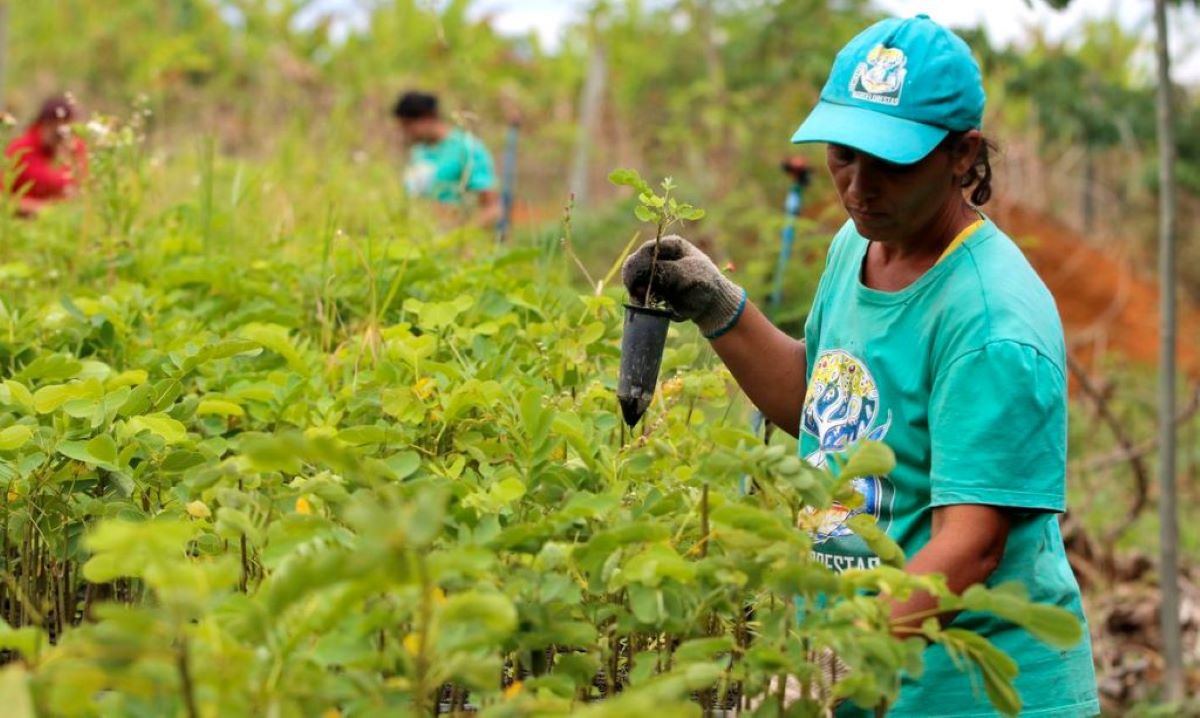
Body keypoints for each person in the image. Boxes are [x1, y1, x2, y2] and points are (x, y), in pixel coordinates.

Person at [622, 15, 1099, 717]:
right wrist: (717, 307)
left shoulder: (991, 320)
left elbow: (970, 547)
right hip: (866, 680)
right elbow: (824, 405)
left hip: (968, 696)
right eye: (844, 154)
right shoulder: (859, 246)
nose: (859, 186)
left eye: (892, 163)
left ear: (963, 155)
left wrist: (842, 655)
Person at [392, 90, 501, 229]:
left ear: (427, 118)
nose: (405, 132)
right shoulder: (419, 151)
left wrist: (461, 235)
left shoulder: (467, 148)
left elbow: (493, 208)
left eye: (407, 125)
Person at [5, 94, 87, 216]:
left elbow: (82, 191)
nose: (62, 138)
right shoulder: (20, 150)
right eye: (57, 131)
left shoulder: (76, 149)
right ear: (45, 123)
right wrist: (40, 209)